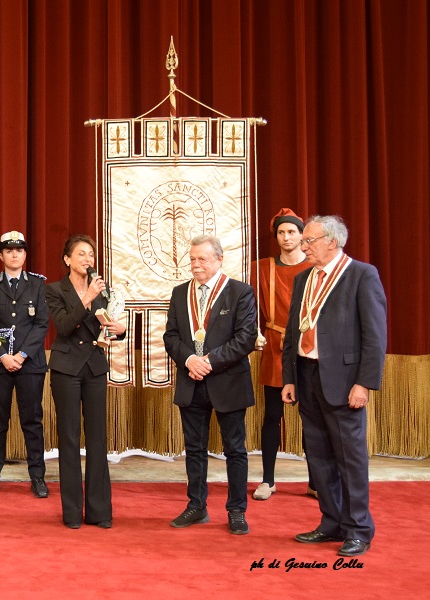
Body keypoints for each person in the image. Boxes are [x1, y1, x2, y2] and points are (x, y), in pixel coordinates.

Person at [282, 215, 387, 558]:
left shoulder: (361, 275)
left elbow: (375, 336)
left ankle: (358, 529)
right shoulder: (303, 278)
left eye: (308, 241)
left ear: (332, 241)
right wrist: (289, 378)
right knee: (319, 456)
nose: (303, 247)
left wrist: (364, 383)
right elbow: (293, 331)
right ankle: (331, 522)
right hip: (306, 376)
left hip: (344, 383)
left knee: (349, 459)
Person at [163, 234, 257, 535]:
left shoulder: (240, 292)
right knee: (194, 449)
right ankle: (196, 506)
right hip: (191, 381)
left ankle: (236, 510)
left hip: (227, 382)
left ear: (219, 260)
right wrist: (190, 360)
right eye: (192, 259)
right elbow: (170, 336)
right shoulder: (180, 293)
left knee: (235, 450)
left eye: (202, 259)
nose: (196, 264)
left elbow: (245, 338)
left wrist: (209, 362)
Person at [45, 234, 126, 529]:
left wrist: (119, 330)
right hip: (66, 368)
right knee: (69, 439)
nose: (87, 259)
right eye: (81, 254)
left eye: (90, 254)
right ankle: (71, 512)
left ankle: (99, 511)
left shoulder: (104, 290)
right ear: (67, 259)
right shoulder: (55, 290)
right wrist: (88, 297)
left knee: (97, 439)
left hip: (94, 367)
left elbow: (108, 327)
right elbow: (64, 326)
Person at [0, 231, 50, 499]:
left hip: (29, 364)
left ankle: (37, 476)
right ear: (1, 255)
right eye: (9, 251)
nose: (14, 254)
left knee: (32, 421)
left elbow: (42, 324)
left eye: (19, 250)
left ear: (25, 254)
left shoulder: (38, 284)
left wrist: (21, 355)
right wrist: (2, 356)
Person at [250, 208, 316, 500]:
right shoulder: (261, 268)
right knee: (272, 416)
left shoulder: (314, 267)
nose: (286, 237)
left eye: (291, 232)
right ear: (275, 236)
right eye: (281, 232)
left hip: (308, 348)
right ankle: (268, 480)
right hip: (275, 347)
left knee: (311, 417)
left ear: (301, 235)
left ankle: (315, 481)